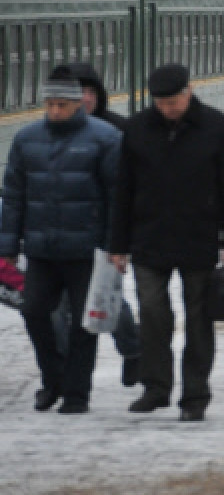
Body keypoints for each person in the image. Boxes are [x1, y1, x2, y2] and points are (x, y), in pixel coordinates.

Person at [110, 63, 224, 422]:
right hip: (148, 239)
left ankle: (195, 395)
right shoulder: (137, 129)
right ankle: (156, 387)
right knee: (153, 313)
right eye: (161, 103)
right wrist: (117, 244)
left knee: (199, 319)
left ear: (189, 91)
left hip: (198, 238)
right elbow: (123, 190)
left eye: (173, 101)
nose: (167, 109)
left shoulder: (215, 127)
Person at [0, 66, 121, 414]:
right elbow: (14, 194)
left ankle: (76, 394)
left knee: (86, 325)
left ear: (77, 105)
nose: (54, 111)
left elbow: (117, 196)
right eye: (49, 104)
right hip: (42, 249)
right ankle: (52, 378)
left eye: (61, 105)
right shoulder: (26, 139)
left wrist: (116, 245)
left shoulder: (105, 138)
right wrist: (7, 246)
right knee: (34, 312)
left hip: (88, 250)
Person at [59, 63, 142, 387]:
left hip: (105, 231)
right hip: (63, 232)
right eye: (77, 92)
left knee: (105, 297)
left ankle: (133, 349)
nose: (84, 98)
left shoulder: (118, 130)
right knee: (61, 305)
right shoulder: (50, 130)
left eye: (90, 91)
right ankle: (67, 373)